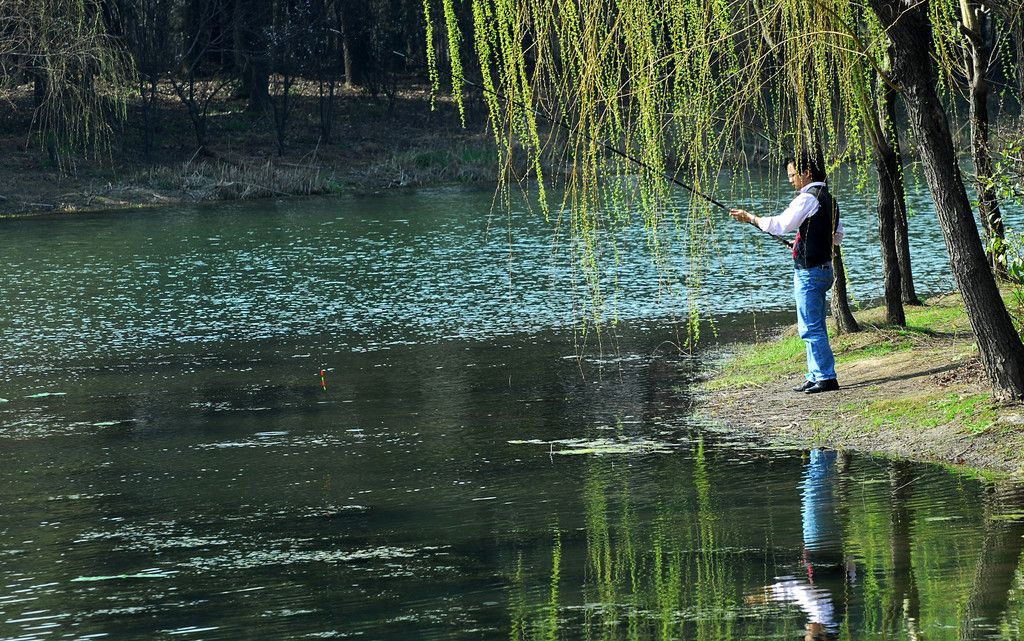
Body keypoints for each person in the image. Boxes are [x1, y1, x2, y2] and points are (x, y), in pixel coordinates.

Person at [730, 152, 844, 394]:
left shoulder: (807, 199)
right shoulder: (830, 199)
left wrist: (751, 218)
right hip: (824, 269)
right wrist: (802, 241)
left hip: (810, 273)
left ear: (806, 173)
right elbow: (837, 237)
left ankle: (826, 377)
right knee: (816, 326)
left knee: (810, 328)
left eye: (793, 175)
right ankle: (816, 375)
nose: (790, 180)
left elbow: (781, 224)